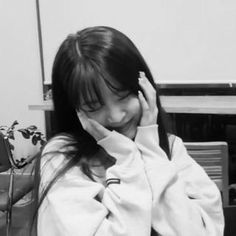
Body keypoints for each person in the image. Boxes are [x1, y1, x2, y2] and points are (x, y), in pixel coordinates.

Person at [34, 26, 224, 236]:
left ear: (145, 89)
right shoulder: (62, 155)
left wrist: (150, 150)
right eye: (94, 106)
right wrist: (126, 157)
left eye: (124, 95)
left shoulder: (169, 148)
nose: (116, 116)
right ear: (76, 110)